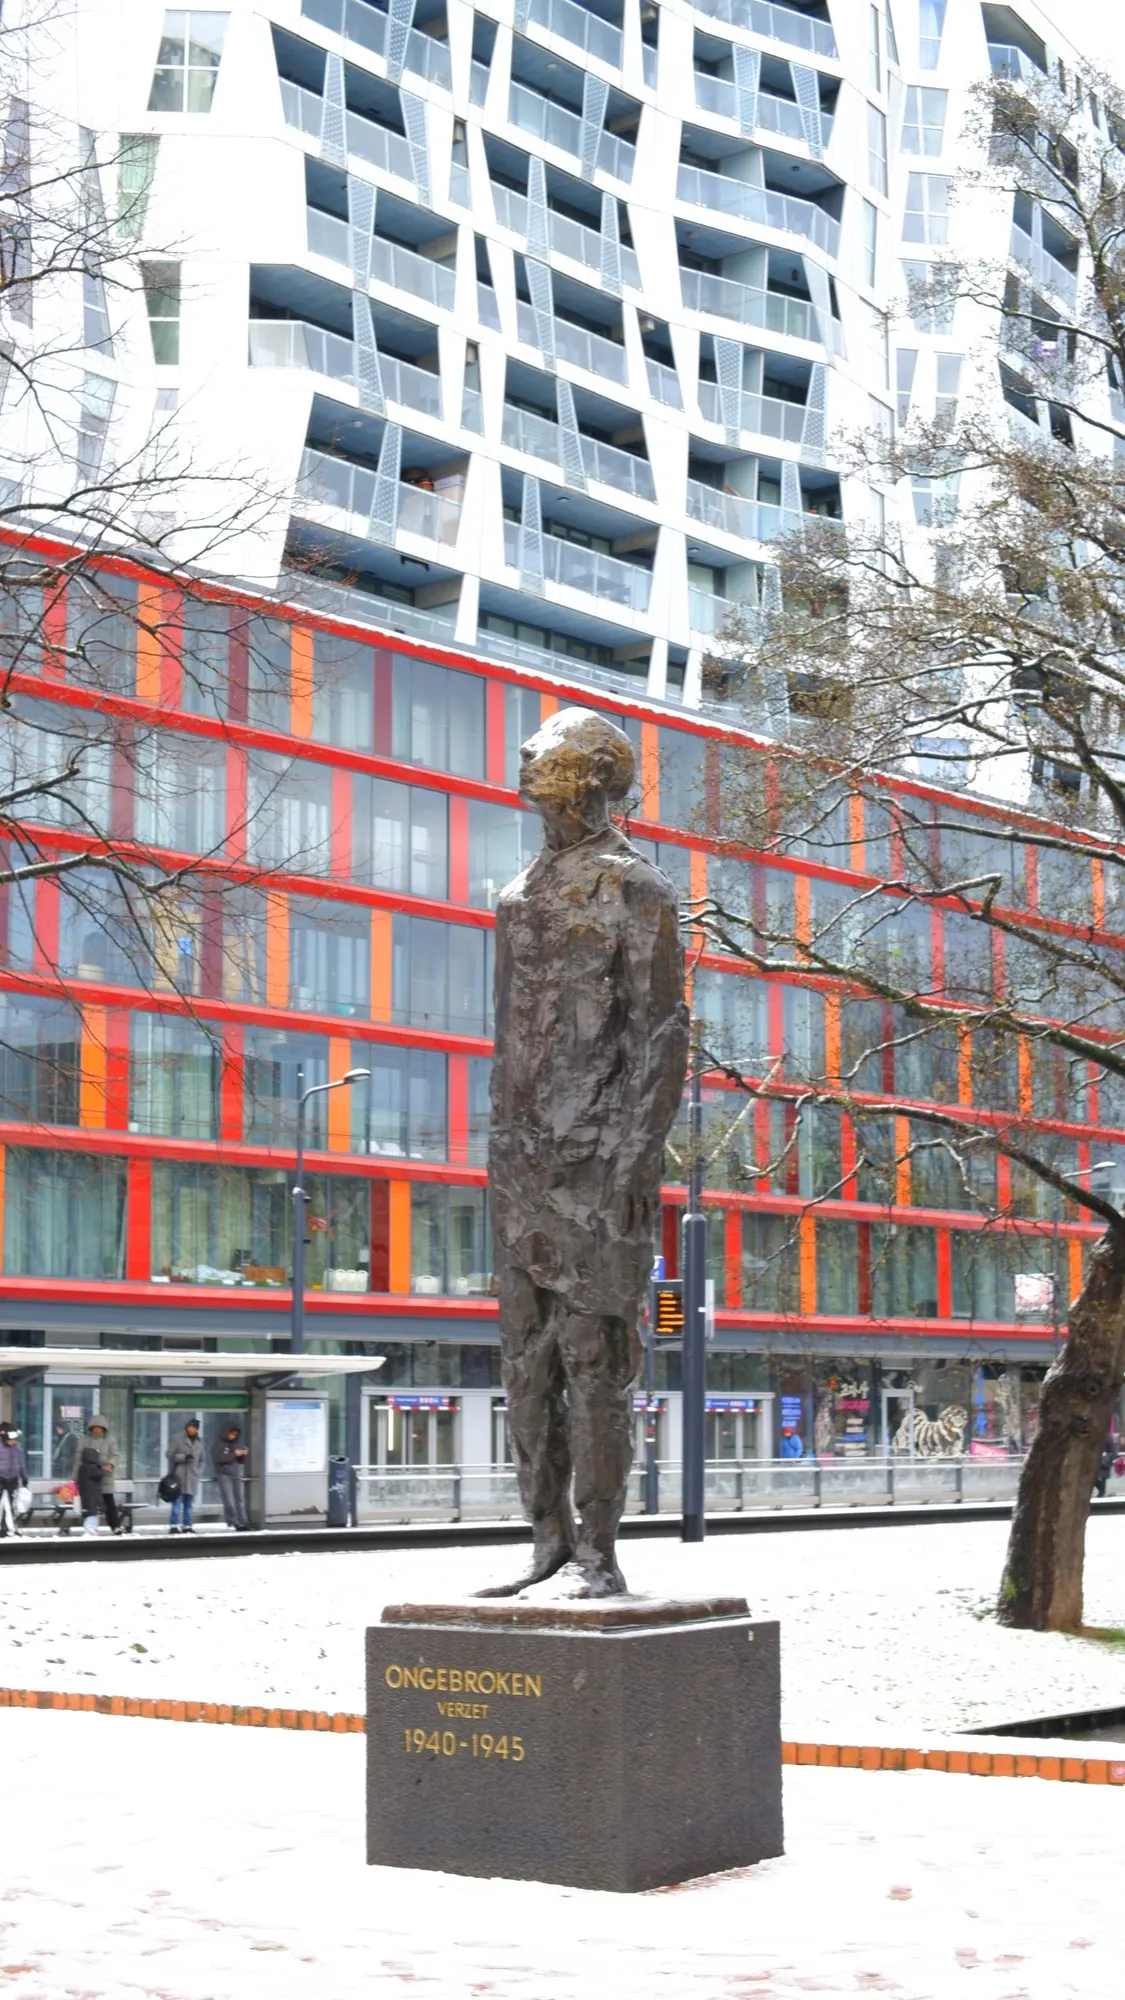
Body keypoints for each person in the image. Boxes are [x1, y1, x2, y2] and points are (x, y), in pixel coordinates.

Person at [486, 708, 689, 1598]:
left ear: (597, 774)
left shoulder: (632, 885)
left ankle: (599, 1553)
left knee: (595, 1361)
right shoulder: (519, 888)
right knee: (523, 1364)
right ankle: (546, 1542)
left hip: (598, 1162)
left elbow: (661, 1029)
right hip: (520, 1158)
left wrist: (632, 1163)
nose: (530, 754)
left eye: (554, 748)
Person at [74, 1417, 121, 1533]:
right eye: (95, 1428)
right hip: (89, 1479)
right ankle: (91, 1529)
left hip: (105, 1476)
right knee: (91, 1503)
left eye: (100, 1428)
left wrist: (110, 1464)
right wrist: (75, 1478)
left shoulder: (110, 1440)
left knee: (109, 1502)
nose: (97, 1430)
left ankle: (116, 1526)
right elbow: (78, 1460)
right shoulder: (84, 1440)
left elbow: (115, 1455)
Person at [166, 1419, 205, 1534]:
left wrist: (198, 1472)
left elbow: (202, 1460)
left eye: (194, 1427)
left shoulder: (199, 1442)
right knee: (177, 1502)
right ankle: (174, 1525)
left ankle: (187, 1525)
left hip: (193, 1476)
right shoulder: (177, 1438)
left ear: (197, 1429)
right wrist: (183, 1457)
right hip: (179, 1476)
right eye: (189, 1426)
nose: (191, 1429)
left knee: (189, 1503)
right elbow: (169, 1454)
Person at [211, 1421, 250, 1531]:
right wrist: (234, 1454)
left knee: (240, 1499)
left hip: (236, 1473)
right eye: (232, 1434)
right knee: (229, 1500)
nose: (233, 1436)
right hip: (223, 1474)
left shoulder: (237, 1443)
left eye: (235, 1435)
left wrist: (243, 1454)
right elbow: (218, 1459)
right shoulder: (218, 1443)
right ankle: (233, 1521)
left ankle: (243, 1522)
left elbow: (240, 1461)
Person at [0, 1421, 29, 1538]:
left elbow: (20, 1463)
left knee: (12, 1505)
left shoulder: (17, 1447)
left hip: (13, 1479)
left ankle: (7, 1528)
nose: (14, 1442)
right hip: (1, 1478)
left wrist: (24, 1477)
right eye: (11, 1439)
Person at [76, 1443, 104, 1536]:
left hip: (86, 1494)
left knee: (90, 1512)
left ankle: (91, 1529)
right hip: (93, 1495)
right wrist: (100, 1466)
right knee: (93, 1513)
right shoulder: (92, 1467)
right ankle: (91, 1530)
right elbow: (99, 1475)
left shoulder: (82, 1467)